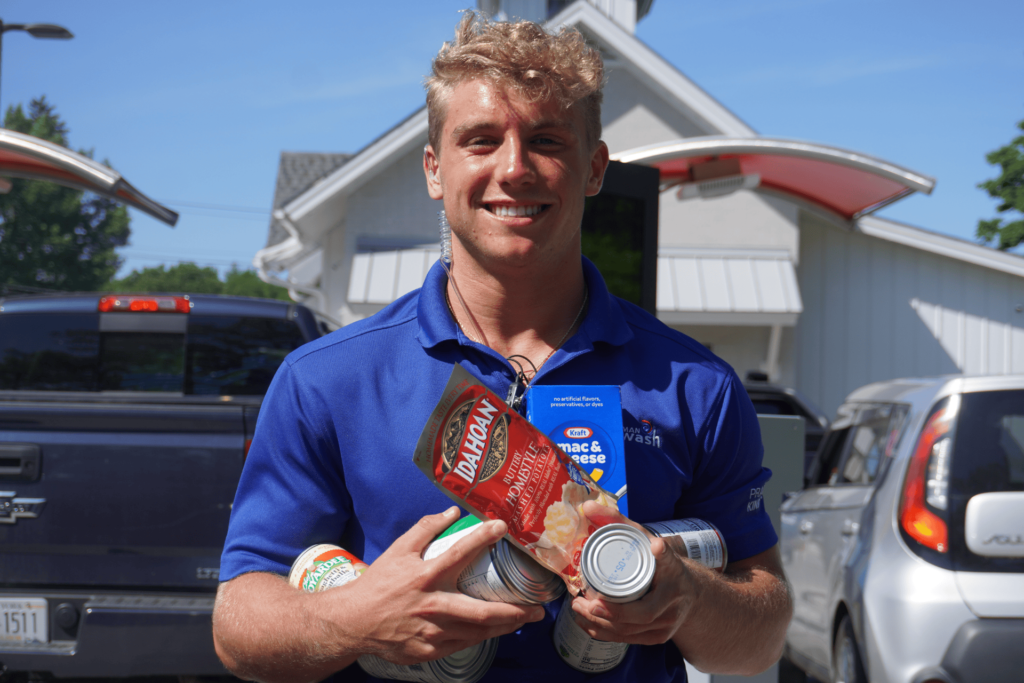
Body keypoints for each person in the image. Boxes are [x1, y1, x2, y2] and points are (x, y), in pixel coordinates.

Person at [212, 12, 792, 683]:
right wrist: (354, 619)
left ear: (594, 168)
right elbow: (239, 626)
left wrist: (689, 597)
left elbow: (759, 640)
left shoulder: (695, 385)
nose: (514, 169)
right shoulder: (326, 380)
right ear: (435, 169)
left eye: (546, 140)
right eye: (481, 140)